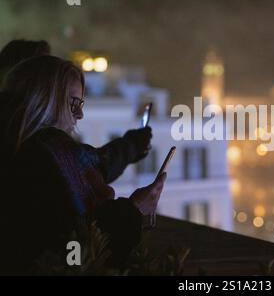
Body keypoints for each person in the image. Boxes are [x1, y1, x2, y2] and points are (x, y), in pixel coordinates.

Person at [0, 55, 166, 274]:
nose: (80, 114)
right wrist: (134, 209)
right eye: (73, 103)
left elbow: (99, 162)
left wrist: (132, 145)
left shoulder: (21, 147)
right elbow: (73, 251)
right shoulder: (48, 158)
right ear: (45, 100)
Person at [0, 39, 151, 185]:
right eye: (45, 67)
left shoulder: (25, 146)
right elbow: (89, 170)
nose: (79, 115)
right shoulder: (45, 156)